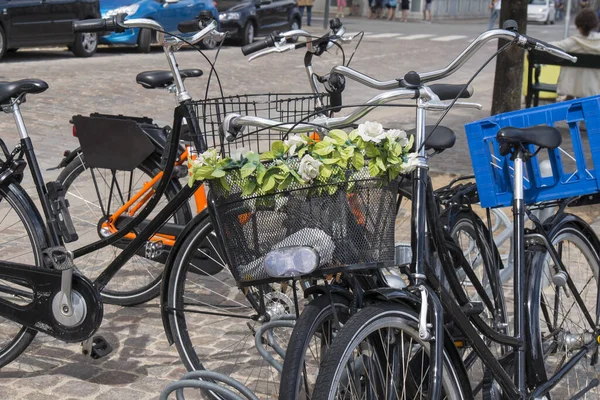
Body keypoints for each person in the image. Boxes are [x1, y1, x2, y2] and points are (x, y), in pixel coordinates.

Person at [551, 9, 600, 98]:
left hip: (572, 90)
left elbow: (552, 48)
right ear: (595, 24)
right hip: (594, 90)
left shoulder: (573, 42)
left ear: (578, 25)